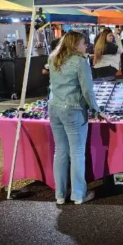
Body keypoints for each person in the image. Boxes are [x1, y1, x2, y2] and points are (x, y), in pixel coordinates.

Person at [48, 31, 101, 205]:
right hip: (73, 109)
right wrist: (95, 109)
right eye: (84, 43)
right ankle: (78, 195)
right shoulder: (80, 61)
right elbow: (87, 89)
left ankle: (60, 194)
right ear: (76, 44)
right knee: (77, 152)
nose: (86, 46)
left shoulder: (53, 59)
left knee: (60, 151)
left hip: (55, 108)